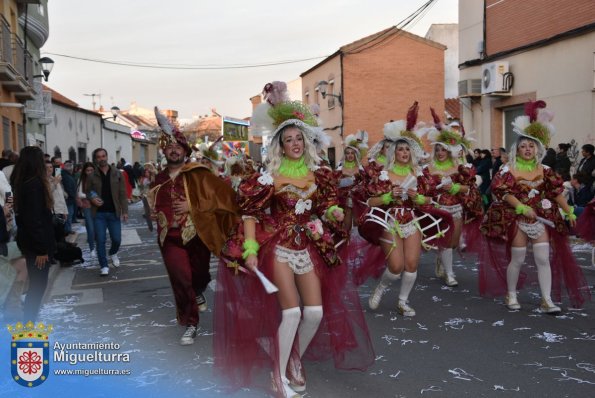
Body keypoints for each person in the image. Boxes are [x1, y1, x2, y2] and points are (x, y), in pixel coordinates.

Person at [214, 82, 374, 398]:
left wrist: (332, 214)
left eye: (298, 137)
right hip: (279, 246)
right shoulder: (269, 177)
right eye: (288, 139)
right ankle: (278, 374)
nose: (294, 143)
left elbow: (326, 207)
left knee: (313, 312)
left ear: (306, 140)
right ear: (281, 145)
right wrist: (249, 249)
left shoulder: (319, 175)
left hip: (308, 245)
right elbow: (250, 214)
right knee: (292, 312)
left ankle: (293, 357)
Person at [479, 100, 590, 313]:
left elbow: (556, 192)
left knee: (542, 257)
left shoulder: (545, 169)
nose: (527, 149)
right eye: (523, 146)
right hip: (517, 217)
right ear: (517, 149)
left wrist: (568, 211)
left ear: (537, 148)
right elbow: (502, 191)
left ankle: (546, 300)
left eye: (531, 146)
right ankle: (511, 294)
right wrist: (520, 207)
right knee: (518, 258)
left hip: (539, 216)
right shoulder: (507, 169)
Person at [149, 107, 238, 345]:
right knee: (181, 279)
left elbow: (225, 197)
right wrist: (155, 214)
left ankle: (199, 290)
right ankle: (190, 323)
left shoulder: (198, 173)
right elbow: (155, 203)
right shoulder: (158, 179)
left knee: (199, 275)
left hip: (198, 234)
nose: (174, 150)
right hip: (170, 238)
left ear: (185, 150)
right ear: (164, 151)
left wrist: (192, 206)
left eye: (178, 146)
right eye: (169, 147)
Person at [359, 104, 453, 316]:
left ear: (412, 152)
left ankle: (403, 301)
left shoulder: (420, 174)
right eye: (400, 149)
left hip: (411, 222)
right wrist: (387, 196)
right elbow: (370, 202)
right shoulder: (383, 175)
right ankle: (381, 288)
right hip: (389, 222)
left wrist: (418, 197)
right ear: (394, 151)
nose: (404, 152)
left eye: (407, 149)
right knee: (395, 267)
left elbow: (431, 199)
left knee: (411, 264)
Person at [427, 108, 483, 287]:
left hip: (456, 208)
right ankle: (450, 274)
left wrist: (456, 187)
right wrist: (435, 190)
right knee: (445, 239)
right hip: (438, 208)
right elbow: (424, 189)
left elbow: (470, 187)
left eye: (444, 149)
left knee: (452, 243)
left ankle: (441, 260)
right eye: (438, 149)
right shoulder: (429, 168)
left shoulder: (459, 167)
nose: (441, 152)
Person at [10, 146, 55, 322]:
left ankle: (30, 319)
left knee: (36, 284)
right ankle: (29, 323)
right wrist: (41, 249)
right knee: (38, 285)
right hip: (36, 245)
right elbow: (34, 220)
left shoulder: (22, 182)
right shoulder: (34, 185)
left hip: (29, 241)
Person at [86, 148, 128, 276]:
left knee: (117, 239)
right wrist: (92, 198)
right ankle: (103, 266)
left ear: (107, 156)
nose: (101, 158)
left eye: (103, 156)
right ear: (96, 159)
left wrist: (124, 211)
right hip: (99, 214)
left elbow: (122, 193)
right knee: (101, 240)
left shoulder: (117, 173)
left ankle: (113, 252)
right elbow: (87, 191)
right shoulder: (92, 175)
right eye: (99, 157)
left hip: (114, 212)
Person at [335, 131, 368, 232]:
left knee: (358, 217)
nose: (350, 155)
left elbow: (365, 184)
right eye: (347, 153)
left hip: (358, 199)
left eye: (352, 153)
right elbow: (336, 184)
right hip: (343, 199)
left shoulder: (361, 169)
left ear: (355, 155)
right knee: (347, 213)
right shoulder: (339, 169)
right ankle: (346, 235)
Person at [77, 162, 96, 258]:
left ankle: (98, 246)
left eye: (91, 170)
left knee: (98, 228)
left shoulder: (98, 179)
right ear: (84, 171)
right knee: (90, 228)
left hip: (98, 207)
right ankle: (92, 248)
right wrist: (92, 196)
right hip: (87, 206)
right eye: (87, 170)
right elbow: (80, 194)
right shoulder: (82, 181)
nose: (89, 172)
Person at [61, 160, 77, 235]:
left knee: (69, 214)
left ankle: (68, 229)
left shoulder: (68, 175)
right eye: (70, 166)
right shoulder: (66, 176)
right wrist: (74, 196)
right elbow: (68, 188)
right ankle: (67, 230)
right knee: (68, 215)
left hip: (70, 199)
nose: (71, 168)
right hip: (68, 199)